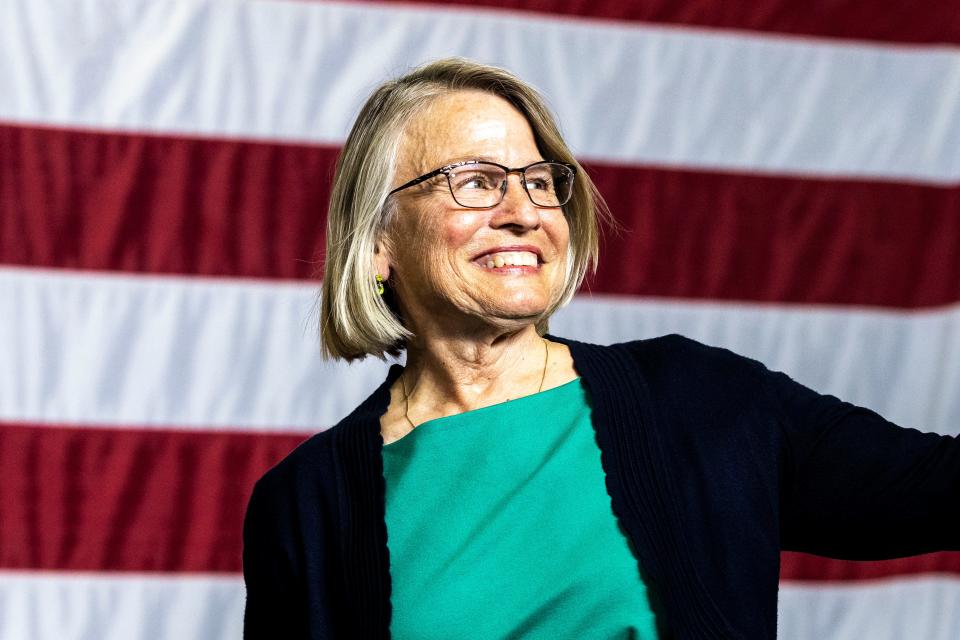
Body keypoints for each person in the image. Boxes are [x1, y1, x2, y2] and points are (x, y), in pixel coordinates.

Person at [242, 58, 960, 639]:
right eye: (476, 183)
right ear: (378, 245)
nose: (523, 212)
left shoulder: (701, 399)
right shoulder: (306, 503)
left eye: (539, 182)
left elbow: (937, 489)